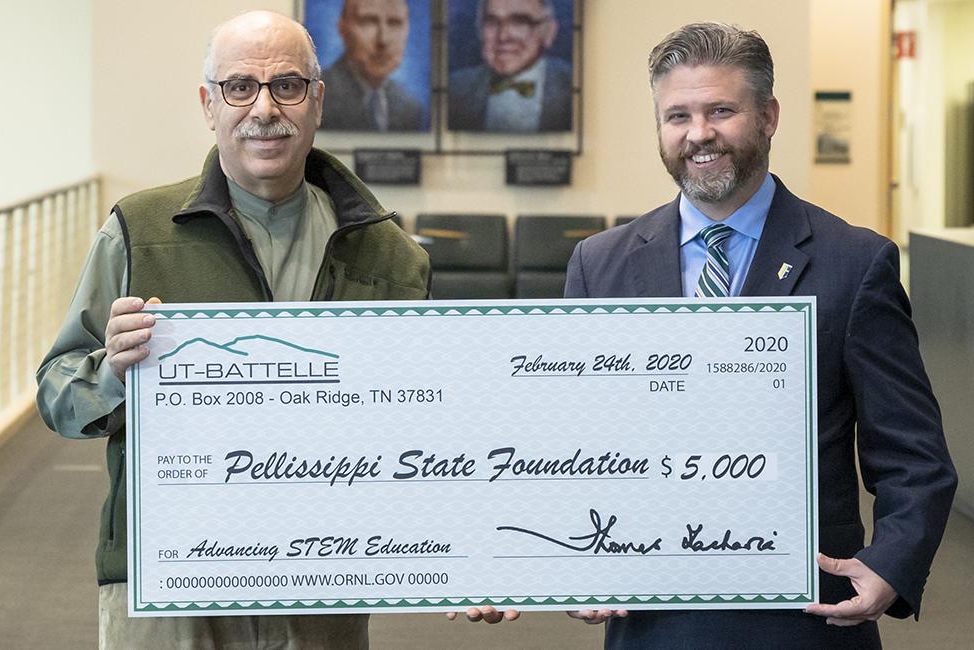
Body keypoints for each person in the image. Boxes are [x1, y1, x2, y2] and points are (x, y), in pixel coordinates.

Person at [36, 10, 429, 648]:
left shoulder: (390, 254)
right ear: (208, 104)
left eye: (288, 86)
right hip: (166, 583)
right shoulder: (139, 230)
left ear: (318, 101)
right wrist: (111, 373)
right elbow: (56, 395)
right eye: (240, 86)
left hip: (323, 576)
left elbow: (425, 423)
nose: (264, 108)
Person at [559, 22, 957, 648]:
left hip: (804, 618)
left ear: (769, 116)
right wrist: (561, 565)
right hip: (653, 622)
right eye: (677, 115)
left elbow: (913, 454)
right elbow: (572, 440)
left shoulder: (856, 264)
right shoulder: (599, 265)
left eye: (722, 110)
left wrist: (892, 563)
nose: (699, 134)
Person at [448, 0, 572, 133]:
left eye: (519, 23)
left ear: (549, 32)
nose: (503, 36)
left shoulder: (575, 87)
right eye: (492, 22)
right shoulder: (454, 89)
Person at [321, 0, 424, 131]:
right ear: (342, 28)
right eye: (369, 21)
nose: (383, 40)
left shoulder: (409, 107)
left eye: (394, 23)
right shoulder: (318, 97)